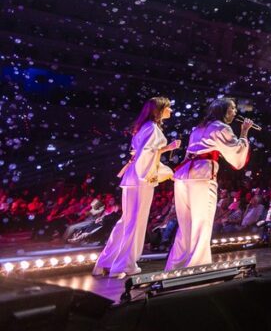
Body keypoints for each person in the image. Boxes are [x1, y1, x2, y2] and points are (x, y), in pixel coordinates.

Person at [94, 97, 179, 277]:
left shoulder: (144, 127)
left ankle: (105, 262)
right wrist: (158, 173)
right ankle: (123, 265)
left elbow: (144, 152)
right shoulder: (152, 128)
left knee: (126, 221)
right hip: (141, 179)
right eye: (168, 108)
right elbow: (145, 155)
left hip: (132, 177)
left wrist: (165, 149)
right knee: (135, 222)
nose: (171, 110)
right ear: (160, 110)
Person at [165, 97, 252, 271]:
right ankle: (197, 267)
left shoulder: (198, 128)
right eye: (232, 108)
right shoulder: (221, 127)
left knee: (186, 224)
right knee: (202, 223)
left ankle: (176, 265)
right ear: (222, 110)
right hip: (202, 176)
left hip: (183, 176)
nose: (235, 112)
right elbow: (236, 153)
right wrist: (244, 133)